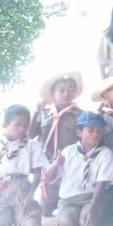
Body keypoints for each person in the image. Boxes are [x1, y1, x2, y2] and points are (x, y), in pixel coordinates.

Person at [44, 111, 113, 226]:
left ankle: (92, 214)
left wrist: (92, 208)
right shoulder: (68, 152)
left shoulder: (105, 153)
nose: (95, 134)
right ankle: (70, 216)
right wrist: (55, 164)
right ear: (79, 132)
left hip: (92, 198)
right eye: (91, 130)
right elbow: (48, 179)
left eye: (99, 131)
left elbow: (101, 183)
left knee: (87, 225)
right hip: (69, 200)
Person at [31, 71, 84, 216]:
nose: (67, 94)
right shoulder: (43, 114)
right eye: (61, 90)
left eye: (71, 90)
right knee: (46, 209)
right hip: (48, 165)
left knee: (68, 206)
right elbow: (30, 135)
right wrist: (36, 113)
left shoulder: (80, 115)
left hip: (69, 166)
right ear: (52, 93)